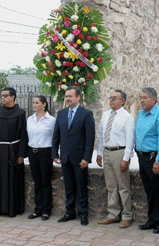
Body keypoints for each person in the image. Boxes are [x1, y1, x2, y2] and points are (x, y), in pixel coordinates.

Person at [52, 86, 95, 226]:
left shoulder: (86, 114)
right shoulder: (61, 113)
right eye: (66, 96)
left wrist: (86, 158)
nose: (68, 99)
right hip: (65, 158)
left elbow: (90, 139)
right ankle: (69, 213)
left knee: (81, 188)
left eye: (70, 96)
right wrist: (55, 154)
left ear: (78, 97)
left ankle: (83, 215)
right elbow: (56, 136)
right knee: (69, 187)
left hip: (79, 159)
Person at [0, 87, 28, 217]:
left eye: (5, 96)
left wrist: (21, 154)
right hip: (0, 151)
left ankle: (12, 209)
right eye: (1, 96)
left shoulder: (20, 113)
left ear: (13, 97)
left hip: (14, 150)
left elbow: (23, 134)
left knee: (13, 180)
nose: (3, 98)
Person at [134, 87, 159, 234]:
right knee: (150, 190)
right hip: (143, 158)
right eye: (140, 97)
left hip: (155, 158)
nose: (142, 100)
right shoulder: (141, 114)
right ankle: (152, 219)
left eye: (145, 98)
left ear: (154, 99)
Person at [96, 89, 135, 228]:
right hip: (107, 151)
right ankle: (113, 214)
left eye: (114, 98)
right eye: (110, 98)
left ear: (122, 101)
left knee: (123, 187)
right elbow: (101, 135)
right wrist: (99, 153)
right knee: (111, 186)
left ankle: (126, 216)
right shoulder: (106, 115)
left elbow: (130, 139)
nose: (111, 100)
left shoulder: (127, 117)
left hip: (120, 152)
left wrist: (126, 158)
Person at [26, 95, 56, 221]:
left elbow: (55, 139)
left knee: (45, 182)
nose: (34, 105)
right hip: (33, 152)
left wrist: (55, 155)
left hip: (45, 152)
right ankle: (37, 209)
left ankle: (46, 210)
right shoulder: (30, 119)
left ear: (44, 104)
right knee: (37, 182)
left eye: (37, 102)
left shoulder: (51, 120)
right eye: (33, 102)